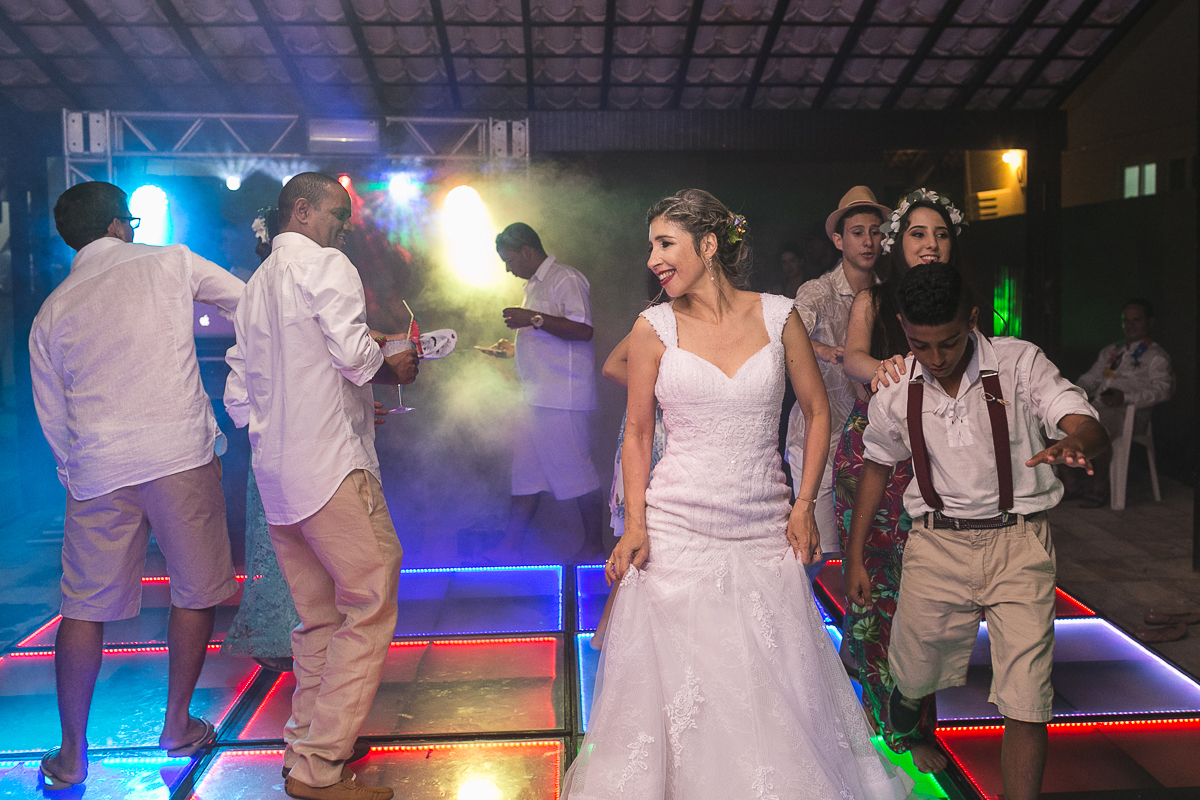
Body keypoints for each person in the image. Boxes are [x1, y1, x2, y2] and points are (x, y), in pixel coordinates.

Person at [562, 189, 912, 799]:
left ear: (709, 244)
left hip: (764, 526)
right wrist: (636, 525)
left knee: (770, 687)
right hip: (677, 528)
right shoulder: (653, 328)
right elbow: (639, 433)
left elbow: (817, 409)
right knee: (685, 689)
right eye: (651, 246)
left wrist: (803, 506)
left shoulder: (779, 315)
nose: (653, 259)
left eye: (665, 244)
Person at [847, 263, 1108, 800]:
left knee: (1027, 699)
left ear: (970, 319)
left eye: (948, 342)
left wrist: (1079, 442)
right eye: (921, 344)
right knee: (914, 671)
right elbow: (875, 464)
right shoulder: (898, 389)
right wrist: (854, 557)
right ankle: (909, 696)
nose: (937, 358)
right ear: (902, 327)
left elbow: (1081, 419)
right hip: (936, 545)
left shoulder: (1019, 363)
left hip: (1020, 545)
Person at [31, 181, 245, 789]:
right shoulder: (169, 260)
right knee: (195, 589)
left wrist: (81, 475)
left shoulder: (52, 311)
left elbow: (54, 420)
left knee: (83, 609)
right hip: (178, 451)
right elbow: (249, 302)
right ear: (122, 224)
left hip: (98, 468)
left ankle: (73, 754)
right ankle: (176, 724)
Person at [225, 173, 418, 800]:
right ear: (302, 211)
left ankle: (301, 752)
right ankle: (318, 766)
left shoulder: (254, 287)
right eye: (338, 214)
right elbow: (357, 359)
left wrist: (324, 406)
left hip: (277, 475)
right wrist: (396, 358)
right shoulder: (327, 264)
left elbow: (243, 396)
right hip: (332, 469)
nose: (344, 226)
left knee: (316, 620)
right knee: (369, 604)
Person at [832, 188, 966, 773]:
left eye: (939, 234)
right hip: (873, 459)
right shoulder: (874, 299)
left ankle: (908, 713)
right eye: (917, 233)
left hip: (940, 454)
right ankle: (880, 711)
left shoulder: (965, 302)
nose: (929, 244)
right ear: (897, 243)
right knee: (875, 583)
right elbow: (853, 358)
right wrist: (885, 367)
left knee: (929, 590)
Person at [784, 186, 889, 578]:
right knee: (816, 551)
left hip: (875, 440)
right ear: (838, 240)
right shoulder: (818, 291)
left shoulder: (888, 292)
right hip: (822, 439)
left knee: (869, 548)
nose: (868, 240)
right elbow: (785, 335)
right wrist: (828, 351)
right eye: (858, 232)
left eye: (875, 231)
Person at [486, 223, 604, 564]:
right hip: (535, 397)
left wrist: (532, 319)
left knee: (577, 471)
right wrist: (515, 348)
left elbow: (583, 330)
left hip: (561, 397)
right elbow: (550, 336)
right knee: (524, 475)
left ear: (526, 251)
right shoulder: (535, 284)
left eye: (509, 260)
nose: (508, 269)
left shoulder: (565, 278)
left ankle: (595, 546)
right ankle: (509, 548)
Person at [1067, 299, 1174, 506]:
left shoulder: (1156, 356)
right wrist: (1070, 393)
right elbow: (1090, 379)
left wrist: (1125, 397)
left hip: (1129, 413)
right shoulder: (1111, 351)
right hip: (1098, 407)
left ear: (1150, 322)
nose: (1130, 325)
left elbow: (1163, 390)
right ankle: (1072, 483)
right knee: (1057, 422)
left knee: (1096, 430)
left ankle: (1100, 485)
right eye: (1126, 320)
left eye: (1137, 320)